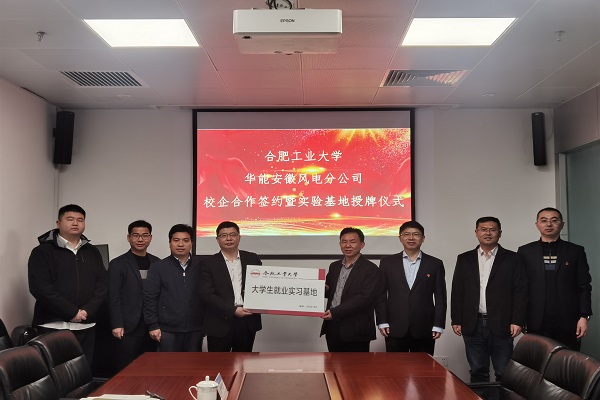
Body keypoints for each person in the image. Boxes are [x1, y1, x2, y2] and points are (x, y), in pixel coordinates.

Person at [28, 204, 107, 366]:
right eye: (70, 219)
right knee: (53, 373)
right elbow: (40, 288)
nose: (75, 223)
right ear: (58, 223)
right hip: (52, 325)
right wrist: (71, 312)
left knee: (83, 372)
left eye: (80, 220)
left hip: (86, 325)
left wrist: (87, 311)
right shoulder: (42, 251)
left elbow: (102, 285)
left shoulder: (92, 252)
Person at [451, 216, 527, 383]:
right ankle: (481, 395)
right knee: (477, 370)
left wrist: (517, 321)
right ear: (476, 232)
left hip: (502, 322)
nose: (488, 233)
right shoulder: (464, 259)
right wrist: (456, 319)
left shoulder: (513, 259)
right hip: (473, 323)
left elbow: (520, 292)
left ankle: (503, 396)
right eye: (483, 229)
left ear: (499, 233)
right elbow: (458, 290)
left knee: (504, 371)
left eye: (492, 230)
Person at [518, 207, 592, 351]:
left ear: (562, 224)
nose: (549, 224)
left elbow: (584, 285)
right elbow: (521, 288)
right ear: (537, 224)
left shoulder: (575, 251)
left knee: (568, 361)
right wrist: (520, 318)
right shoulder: (525, 251)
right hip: (535, 320)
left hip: (569, 320)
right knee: (537, 361)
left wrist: (584, 316)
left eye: (554, 220)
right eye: (544, 220)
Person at [375, 221, 447, 355]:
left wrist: (438, 324)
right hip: (394, 326)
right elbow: (380, 295)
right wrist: (382, 321)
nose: (411, 238)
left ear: (423, 238)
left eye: (416, 234)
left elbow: (440, 297)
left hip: (424, 327)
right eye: (407, 234)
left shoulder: (435, 264)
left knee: (423, 367)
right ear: (400, 238)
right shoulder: (387, 262)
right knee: (395, 367)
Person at [199, 221, 262, 352]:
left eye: (232, 234)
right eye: (224, 235)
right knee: (218, 363)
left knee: (244, 361)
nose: (228, 238)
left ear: (239, 237)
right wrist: (232, 310)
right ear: (217, 239)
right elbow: (206, 294)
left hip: (247, 321)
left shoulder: (252, 259)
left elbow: (261, 286)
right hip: (219, 321)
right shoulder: (208, 263)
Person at [108, 220, 160, 371]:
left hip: (151, 325)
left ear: (150, 238)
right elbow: (113, 296)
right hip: (128, 326)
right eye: (136, 235)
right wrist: (117, 324)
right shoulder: (117, 264)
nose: (140, 239)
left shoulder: (157, 263)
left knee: (149, 367)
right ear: (128, 237)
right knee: (126, 368)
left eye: (145, 235)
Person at [143, 224, 204, 352]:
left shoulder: (202, 266)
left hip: (195, 328)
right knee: (168, 364)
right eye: (176, 240)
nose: (181, 244)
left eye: (185, 240)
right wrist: (153, 325)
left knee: (193, 363)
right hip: (167, 330)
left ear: (192, 243)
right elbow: (150, 298)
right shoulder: (158, 267)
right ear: (170, 243)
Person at [320, 227, 381, 352]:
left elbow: (365, 298)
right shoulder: (334, 266)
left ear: (362, 245)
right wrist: (320, 289)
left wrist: (335, 312)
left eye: (352, 242)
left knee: (357, 365)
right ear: (340, 244)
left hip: (357, 330)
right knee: (332, 363)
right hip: (332, 327)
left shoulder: (371, 269)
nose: (348, 245)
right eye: (344, 241)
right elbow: (330, 291)